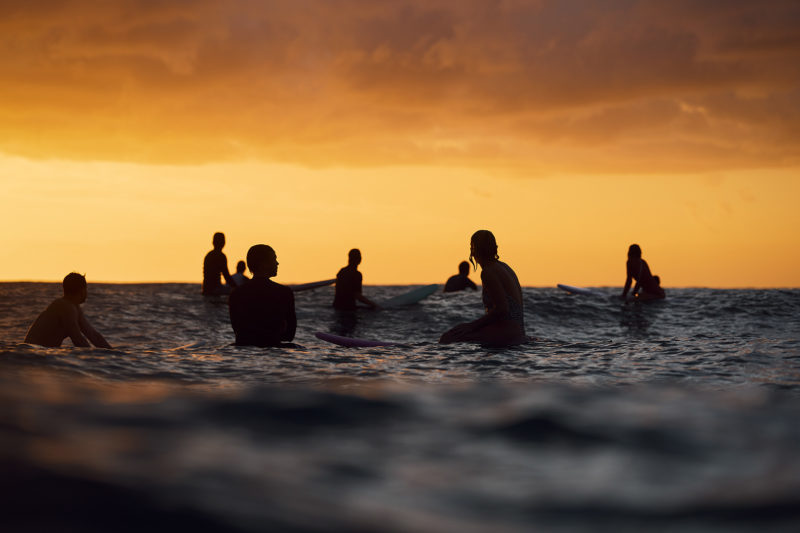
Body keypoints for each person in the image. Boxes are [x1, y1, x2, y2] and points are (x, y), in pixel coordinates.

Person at [439, 230, 526, 346]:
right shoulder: (504, 267)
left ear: (475, 250)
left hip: (506, 332)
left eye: (472, 247)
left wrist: (471, 326)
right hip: (518, 331)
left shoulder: (488, 272)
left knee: (448, 338)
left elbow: (502, 309)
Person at [228, 244, 296, 347]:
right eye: (274, 259)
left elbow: (237, 330)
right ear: (263, 264)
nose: (277, 263)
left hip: (244, 348)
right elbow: (289, 335)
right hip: (273, 345)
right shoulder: (284, 292)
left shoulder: (235, 293)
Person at [24, 273, 112, 348]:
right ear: (82, 290)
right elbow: (77, 339)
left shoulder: (73, 307)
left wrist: (112, 353)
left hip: (38, 354)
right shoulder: (65, 307)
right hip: (33, 353)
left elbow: (93, 335)